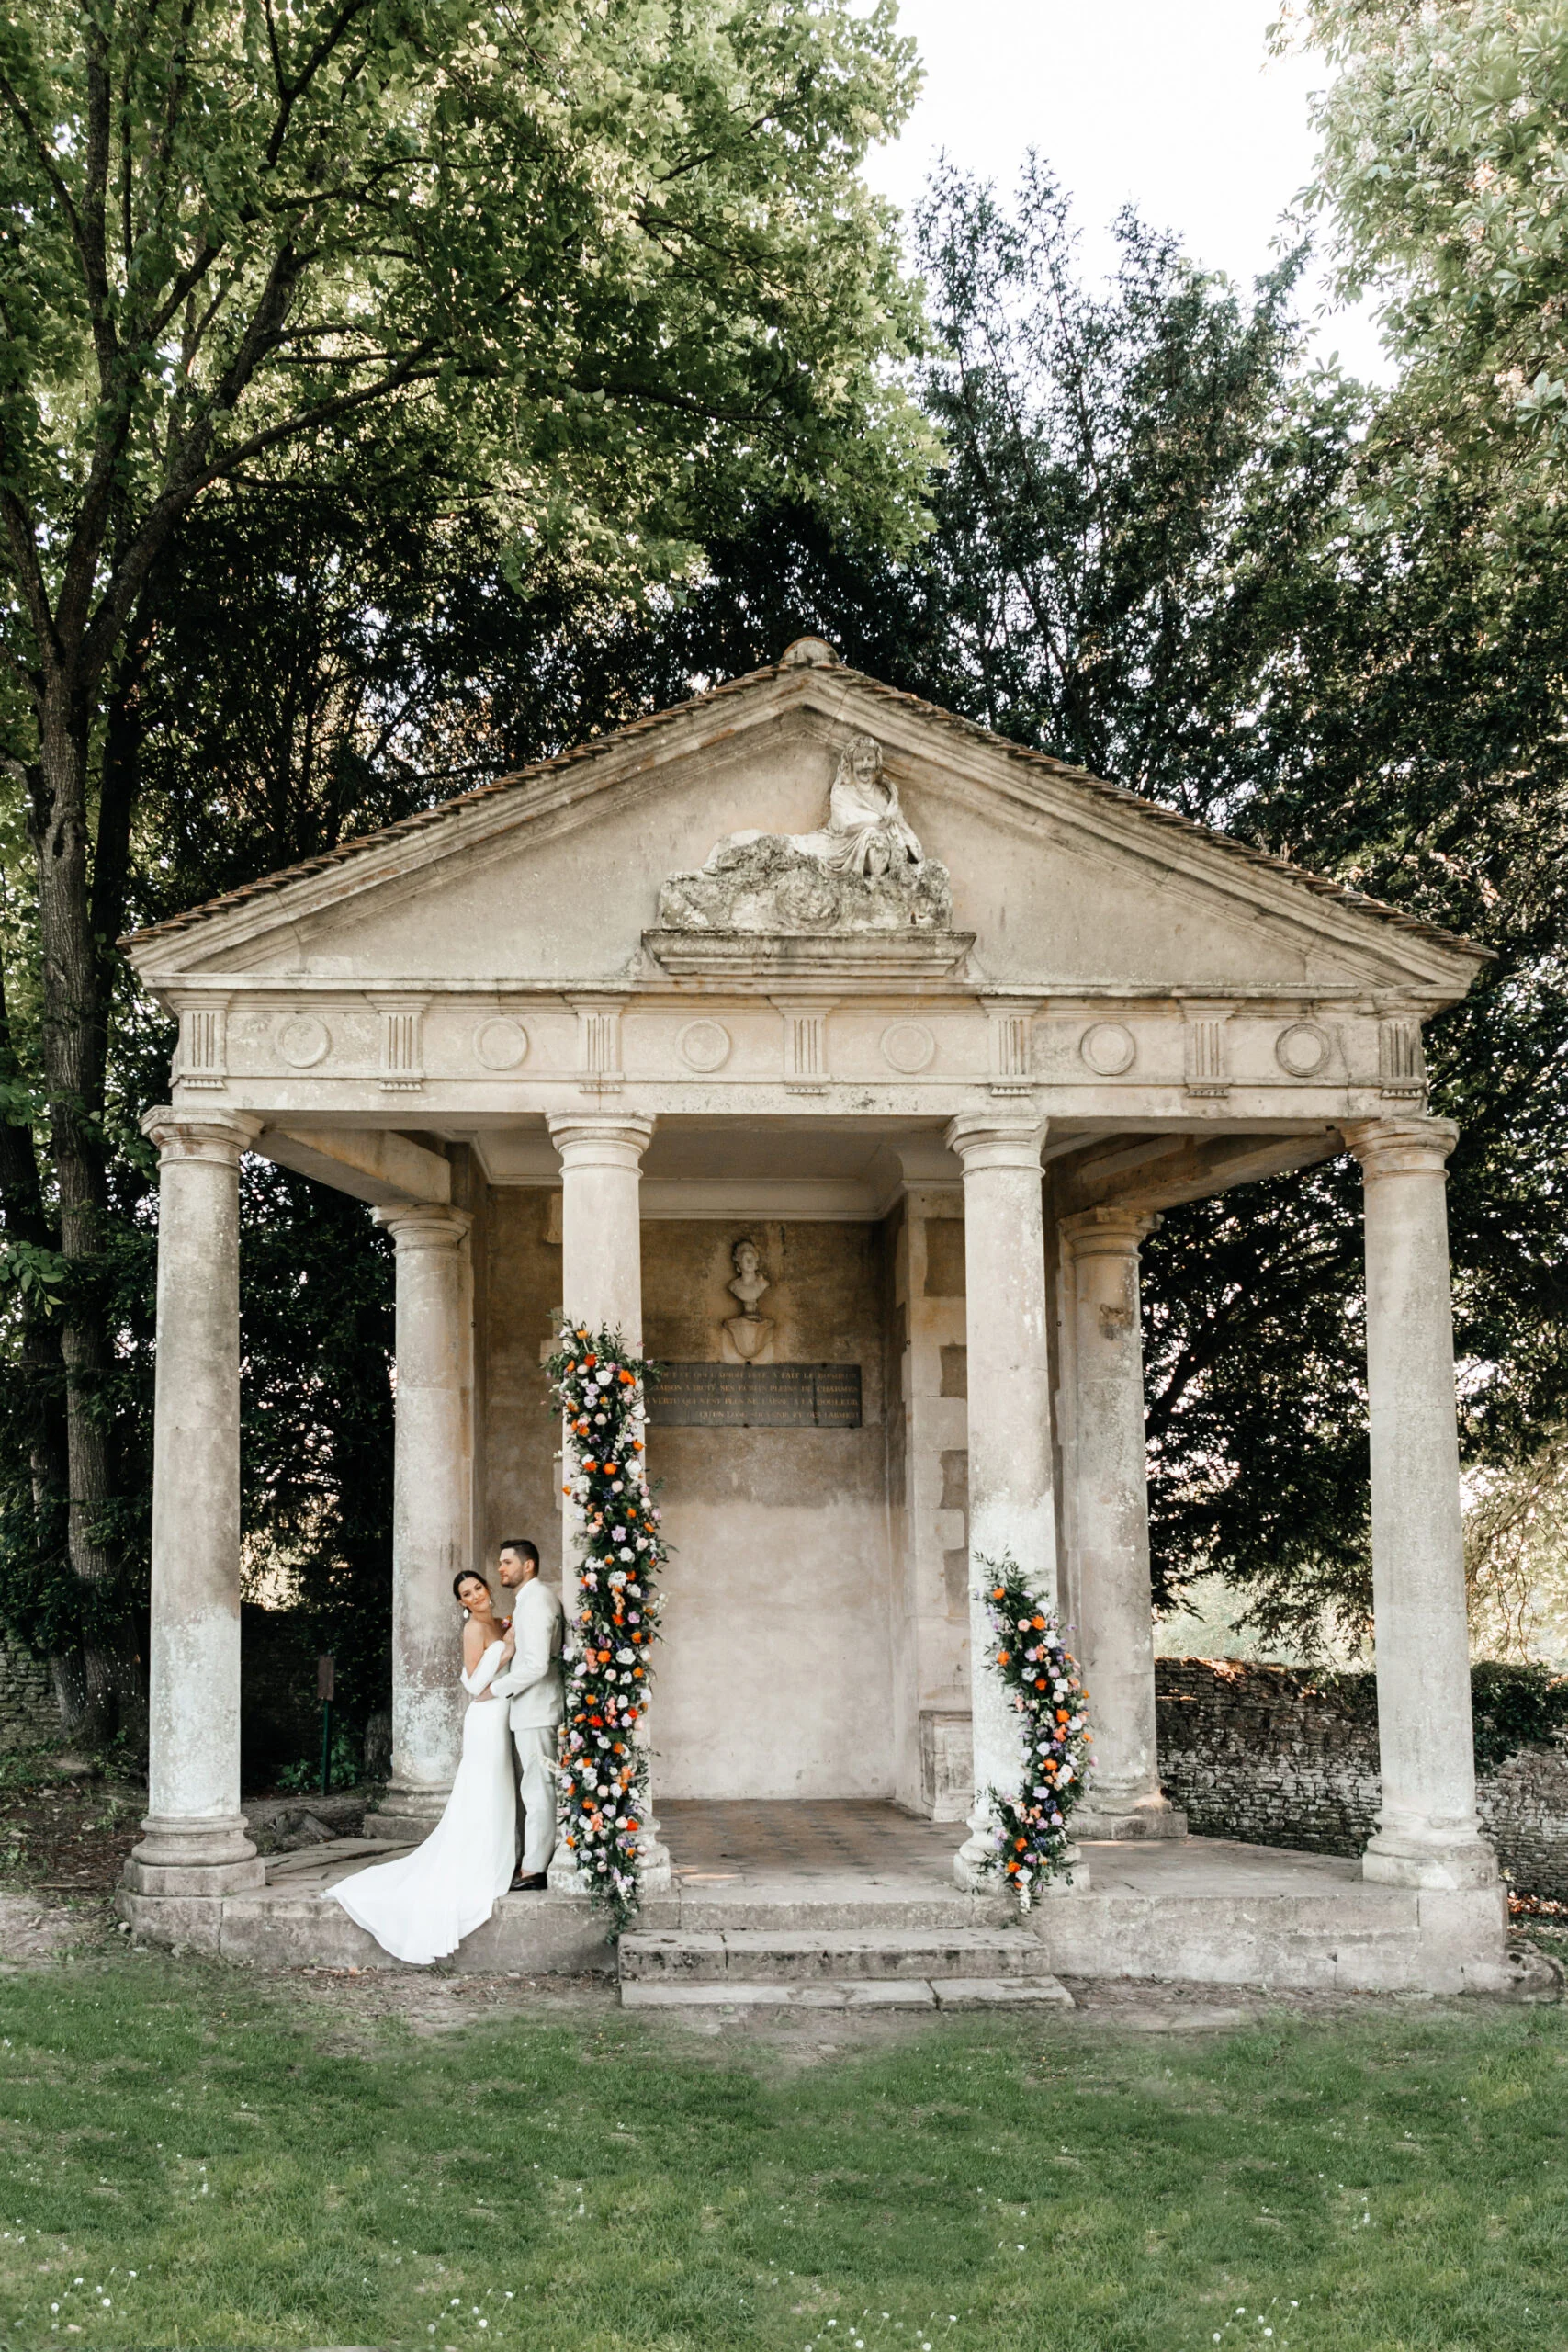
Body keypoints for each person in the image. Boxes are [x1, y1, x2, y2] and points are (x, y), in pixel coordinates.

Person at [323, 1570, 517, 1964]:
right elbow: (473, 1684)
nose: (476, 1595)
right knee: (482, 1791)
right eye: (467, 1593)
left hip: (503, 1712)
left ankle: (501, 1856)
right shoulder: (475, 1630)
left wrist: (506, 1639)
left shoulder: (500, 1622)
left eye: (478, 1587)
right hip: (485, 1717)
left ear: (487, 1589)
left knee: (500, 1790)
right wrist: (506, 1650)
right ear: (461, 1602)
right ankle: (477, 1866)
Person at [491, 1538, 566, 1890]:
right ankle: (529, 1861)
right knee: (533, 1788)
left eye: (507, 1562)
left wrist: (496, 1689)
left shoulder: (536, 1601)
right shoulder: (530, 1600)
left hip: (536, 1710)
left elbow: (536, 1665)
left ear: (529, 1565)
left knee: (538, 1790)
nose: (501, 1569)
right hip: (531, 1710)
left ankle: (535, 1868)